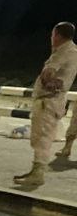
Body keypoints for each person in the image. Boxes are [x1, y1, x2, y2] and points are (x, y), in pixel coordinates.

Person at [15, 21, 77, 186]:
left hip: (48, 101)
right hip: (55, 101)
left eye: (52, 34)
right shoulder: (72, 51)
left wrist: (47, 81)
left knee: (42, 137)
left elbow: (49, 72)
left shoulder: (63, 52)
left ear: (57, 35)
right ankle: (36, 170)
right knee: (43, 137)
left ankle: (38, 173)